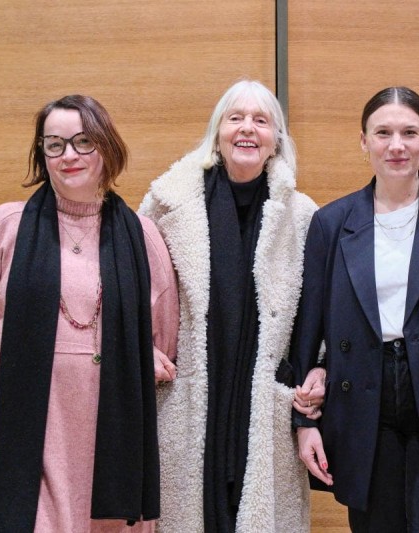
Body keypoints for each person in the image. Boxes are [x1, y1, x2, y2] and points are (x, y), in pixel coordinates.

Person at [0, 95, 179, 531]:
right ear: (42, 154)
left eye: (82, 141)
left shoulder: (141, 235)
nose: (68, 154)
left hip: (115, 425)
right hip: (37, 423)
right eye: (54, 144)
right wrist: (14, 374)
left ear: (106, 147)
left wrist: (134, 358)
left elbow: (163, 340)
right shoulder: (6, 226)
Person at [290, 86, 419, 532]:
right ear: (363, 141)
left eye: (409, 132)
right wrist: (303, 423)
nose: (397, 145)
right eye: (382, 132)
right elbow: (307, 329)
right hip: (363, 395)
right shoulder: (331, 222)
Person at [139, 79, 322, 533]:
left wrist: (316, 372)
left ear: (276, 140)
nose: (247, 129)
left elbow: (319, 313)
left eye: (261, 121)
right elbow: (130, 290)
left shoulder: (302, 216)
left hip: (263, 406)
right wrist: (143, 347)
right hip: (186, 397)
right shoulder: (166, 206)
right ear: (217, 132)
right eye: (235, 117)